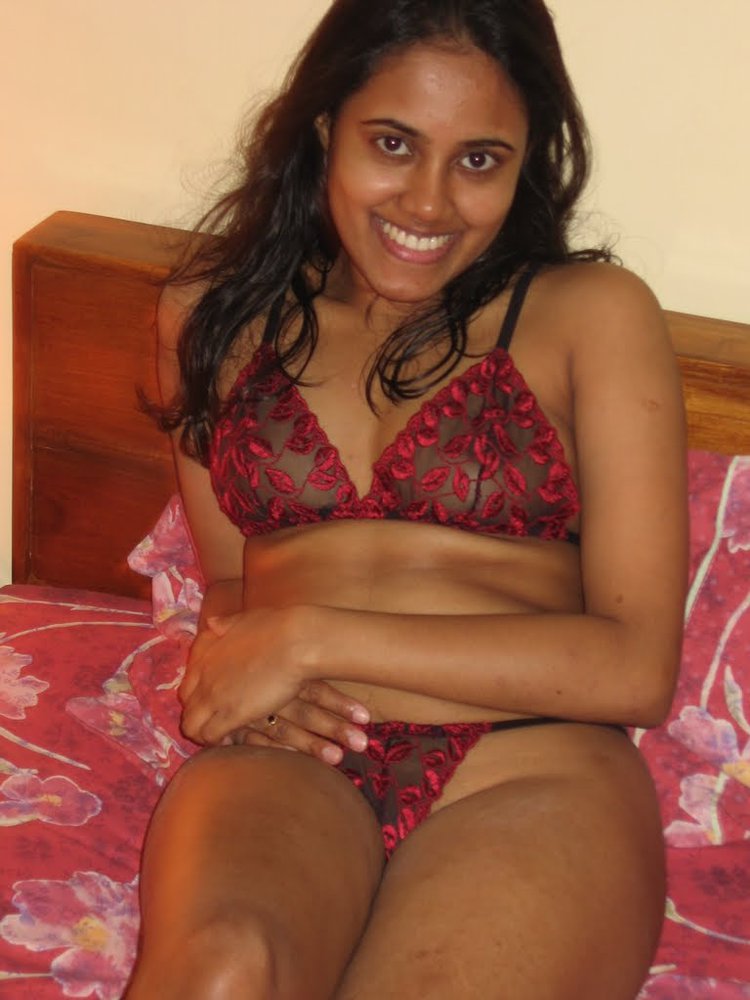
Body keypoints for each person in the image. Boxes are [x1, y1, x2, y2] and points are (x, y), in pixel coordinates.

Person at [125, 0, 688, 996]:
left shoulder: (590, 315)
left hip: (533, 766)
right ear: (324, 127)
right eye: (393, 143)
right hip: (297, 756)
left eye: (479, 160)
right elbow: (230, 582)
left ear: (525, 162)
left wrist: (306, 638)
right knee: (221, 971)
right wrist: (241, 662)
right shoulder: (212, 317)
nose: (429, 203)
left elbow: (636, 665)